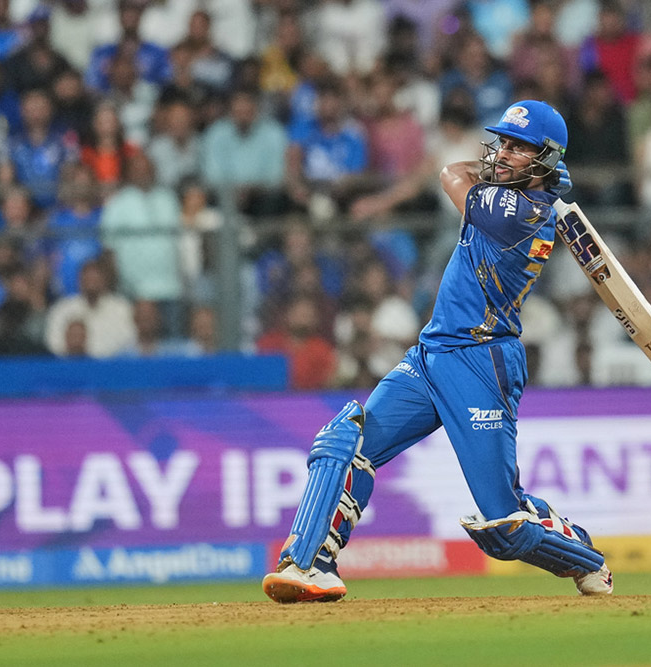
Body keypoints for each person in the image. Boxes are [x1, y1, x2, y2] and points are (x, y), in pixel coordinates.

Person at [261, 100, 613, 603]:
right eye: (503, 144)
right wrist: (540, 175)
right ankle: (309, 563)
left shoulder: (520, 212)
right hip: (432, 352)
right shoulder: (518, 198)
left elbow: (450, 172)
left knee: (503, 523)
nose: (502, 154)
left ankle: (584, 555)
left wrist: (532, 181)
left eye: (517, 148)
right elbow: (479, 172)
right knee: (346, 441)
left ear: (546, 159)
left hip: (480, 361)